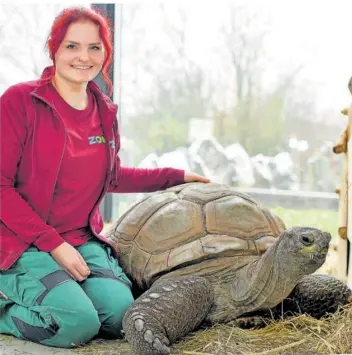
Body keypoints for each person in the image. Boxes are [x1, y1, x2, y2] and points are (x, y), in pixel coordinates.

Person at [0, 6, 210, 349]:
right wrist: (54, 244)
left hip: (82, 239)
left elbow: (109, 176)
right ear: (54, 49)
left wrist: (175, 176)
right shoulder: (20, 101)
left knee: (119, 317)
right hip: (22, 242)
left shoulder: (104, 111)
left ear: (105, 54)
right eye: (72, 46)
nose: (83, 57)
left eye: (94, 47)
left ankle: (60, 291)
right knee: (77, 323)